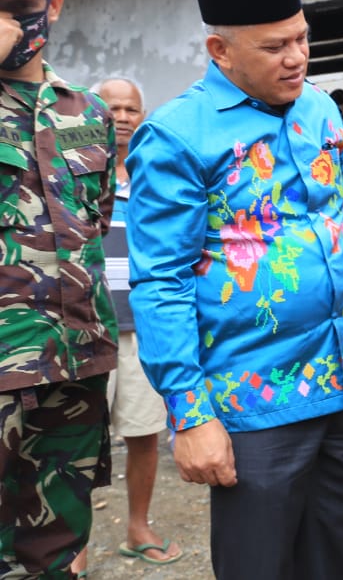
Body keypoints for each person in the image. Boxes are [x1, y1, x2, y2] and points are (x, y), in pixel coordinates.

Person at [125, 0, 343, 580]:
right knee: (260, 567)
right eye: (275, 46)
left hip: (340, 384)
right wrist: (190, 414)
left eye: (302, 37)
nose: (297, 57)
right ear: (220, 49)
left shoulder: (322, 112)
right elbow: (160, 283)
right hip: (254, 404)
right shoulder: (176, 136)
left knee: (332, 556)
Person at [0, 0, 117, 579]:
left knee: (56, 547)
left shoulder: (89, 113)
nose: (7, 20)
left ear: (55, 6)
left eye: (20, 5)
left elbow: (95, 219)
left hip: (74, 361)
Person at [71, 79, 184, 574]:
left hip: (143, 328)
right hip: (86, 327)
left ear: (142, 115)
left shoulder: (152, 174)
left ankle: (138, 529)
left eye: (130, 108)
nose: (120, 115)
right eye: (111, 107)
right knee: (73, 438)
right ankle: (72, 544)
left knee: (144, 432)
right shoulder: (73, 170)